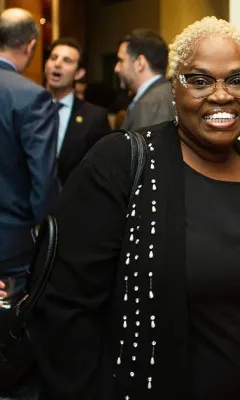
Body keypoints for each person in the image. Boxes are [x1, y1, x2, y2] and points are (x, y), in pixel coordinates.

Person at [29, 17, 240, 400]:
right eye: (200, 80)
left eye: (238, 80)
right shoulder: (122, 163)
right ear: (174, 88)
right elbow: (63, 309)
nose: (222, 95)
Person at [0, 7, 59, 399]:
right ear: (32, 46)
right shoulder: (32, 98)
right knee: (13, 354)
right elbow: (43, 186)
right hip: (14, 252)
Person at [44, 37, 111, 186]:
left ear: (79, 73)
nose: (57, 64)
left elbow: (103, 170)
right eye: (53, 58)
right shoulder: (27, 108)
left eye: (67, 60)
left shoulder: (95, 117)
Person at [115, 29, 175, 130]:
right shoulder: (163, 95)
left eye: (121, 61)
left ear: (140, 63)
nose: (116, 68)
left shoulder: (152, 104)